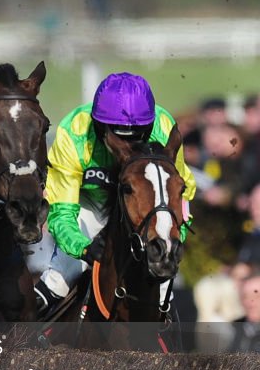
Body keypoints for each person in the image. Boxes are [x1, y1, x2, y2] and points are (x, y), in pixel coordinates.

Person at [33, 72, 198, 315]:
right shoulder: (74, 132)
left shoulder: (164, 127)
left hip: (143, 208)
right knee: (62, 274)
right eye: (117, 135)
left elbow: (181, 194)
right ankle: (20, 339)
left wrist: (174, 237)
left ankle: (174, 348)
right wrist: (84, 249)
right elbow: (62, 212)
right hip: (88, 204)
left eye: (136, 134)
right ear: (99, 126)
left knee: (164, 289)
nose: (126, 146)